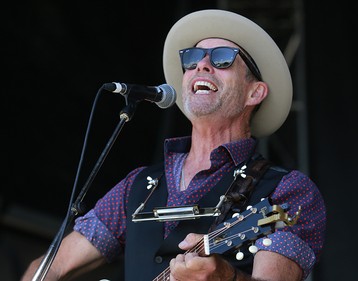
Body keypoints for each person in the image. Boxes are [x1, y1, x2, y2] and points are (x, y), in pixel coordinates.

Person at [21, 9, 326, 281]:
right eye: (192, 58)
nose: (201, 66)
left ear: (254, 93)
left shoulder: (285, 191)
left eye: (222, 58)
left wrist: (226, 278)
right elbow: (54, 265)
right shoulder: (138, 186)